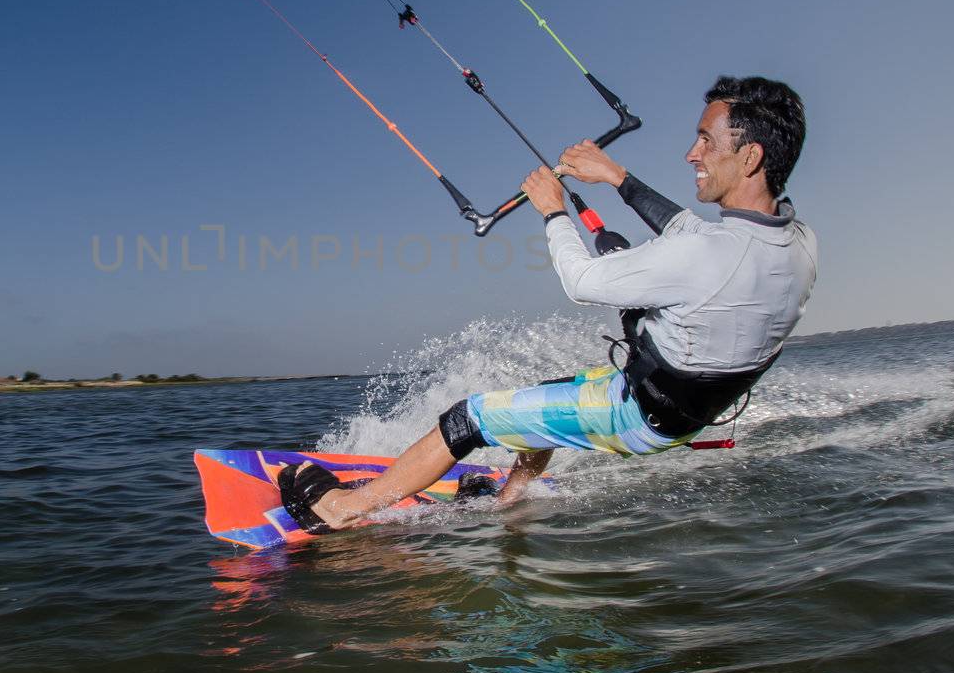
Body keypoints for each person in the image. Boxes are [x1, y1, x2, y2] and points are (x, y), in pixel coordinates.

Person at [281, 75, 818, 534]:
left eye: (706, 141)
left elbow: (584, 280)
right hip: (693, 410)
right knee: (545, 395)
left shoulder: (705, 256)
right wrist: (618, 179)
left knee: (467, 418)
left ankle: (344, 511)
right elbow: (688, 232)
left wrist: (552, 211)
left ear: (750, 156)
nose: (691, 154)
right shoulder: (799, 245)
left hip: (638, 413)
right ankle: (511, 500)